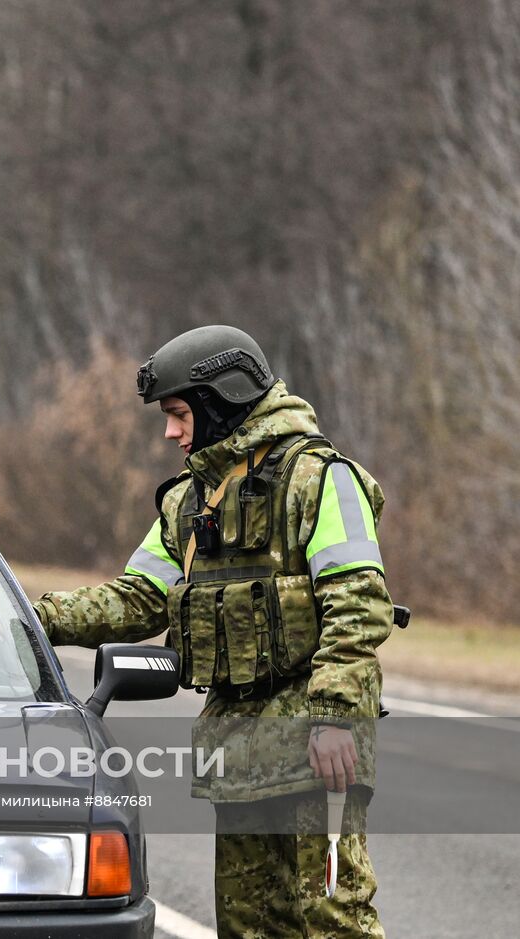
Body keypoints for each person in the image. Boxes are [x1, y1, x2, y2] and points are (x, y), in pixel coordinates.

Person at [32, 325, 392, 937]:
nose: (170, 432)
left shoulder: (320, 479)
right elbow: (138, 597)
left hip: (315, 743)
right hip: (238, 746)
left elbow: (359, 604)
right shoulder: (191, 502)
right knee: (249, 924)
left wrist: (335, 719)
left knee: (333, 920)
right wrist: (26, 616)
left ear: (219, 400)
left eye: (177, 414)